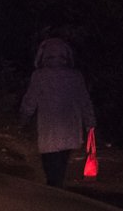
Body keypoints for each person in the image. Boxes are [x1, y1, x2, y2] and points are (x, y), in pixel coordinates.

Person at [19, 37, 95, 187]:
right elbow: (84, 101)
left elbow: (30, 101)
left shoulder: (40, 76)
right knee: (61, 165)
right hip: (69, 129)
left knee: (50, 167)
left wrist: (23, 118)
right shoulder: (75, 76)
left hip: (49, 131)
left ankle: (53, 193)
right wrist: (90, 122)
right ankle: (56, 190)